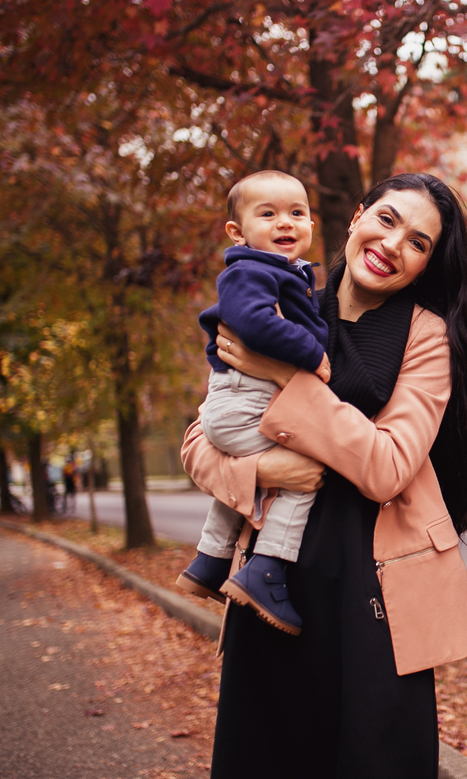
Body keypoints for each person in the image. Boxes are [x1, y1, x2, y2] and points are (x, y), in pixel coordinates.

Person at [181, 172, 467, 778]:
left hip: (375, 593)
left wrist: (286, 378)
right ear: (356, 217)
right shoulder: (274, 299)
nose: (394, 244)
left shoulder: (426, 337)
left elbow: (388, 467)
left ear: (426, 265)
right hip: (271, 581)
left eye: (419, 243)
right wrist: (265, 469)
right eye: (387, 219)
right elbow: (202, 438)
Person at [177, 169, 330, 636]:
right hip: (245, 402)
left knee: (255, 472)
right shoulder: (249, 271)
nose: (286, 222)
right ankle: (267, 569)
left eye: (297, 213)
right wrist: (314, 354)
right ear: (237, 232)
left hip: (242, 402)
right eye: (269, 214)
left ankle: (209, 560)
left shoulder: (284, 273)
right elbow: (256, 323)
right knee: (305, 469)